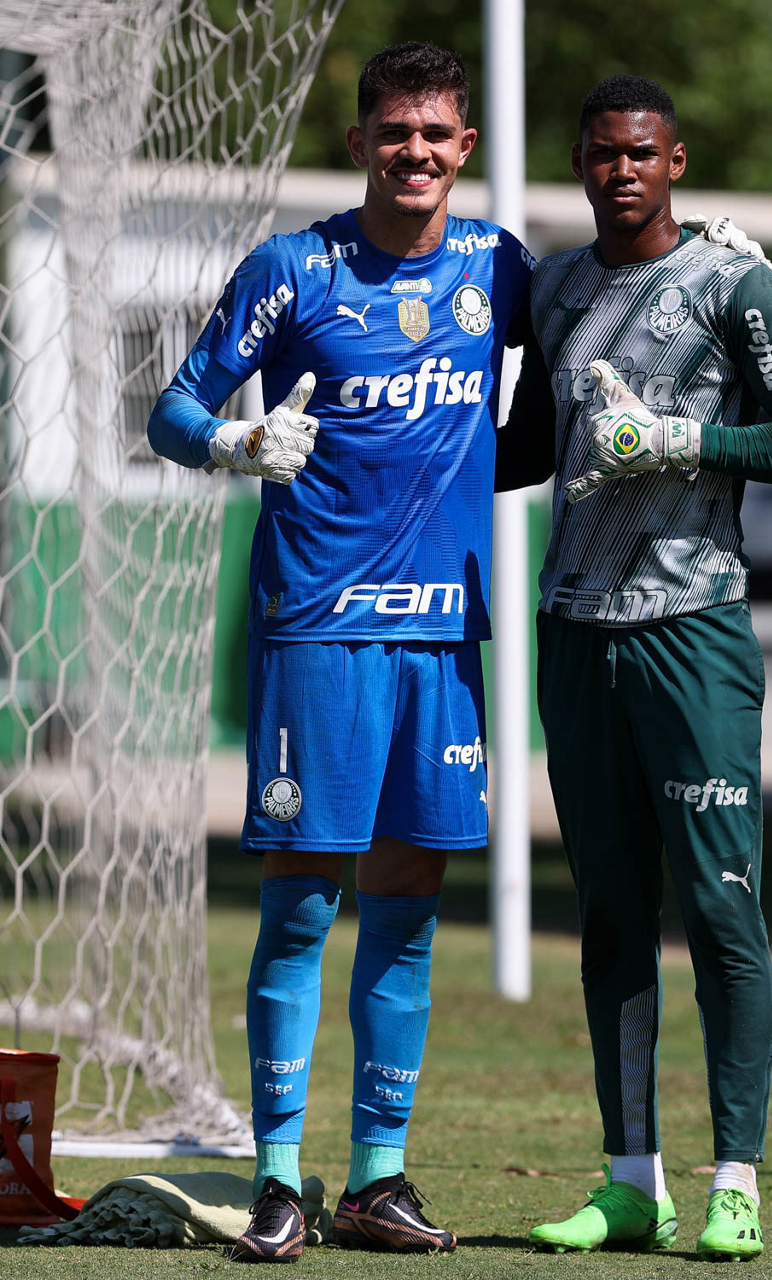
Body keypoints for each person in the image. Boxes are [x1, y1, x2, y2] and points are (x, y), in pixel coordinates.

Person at [147, 41, 536, 1262]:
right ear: (362, 141)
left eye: (436, 134)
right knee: (304, 901)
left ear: (464, 148)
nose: (415, 152)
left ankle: (375, 1178)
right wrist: (237, 442)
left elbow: (597, 319)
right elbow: (171, 408)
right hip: (319, 626)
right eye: (394, 131)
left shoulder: (499, 265)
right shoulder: (293, 269)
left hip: (444, 634)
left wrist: (699, 264)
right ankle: (278, 1177)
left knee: (410, 908)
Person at [496, 75, 772, 1262]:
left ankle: (735, 1178)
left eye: (642, 153)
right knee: (609, 913)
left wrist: (683, 437)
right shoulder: (553, 288)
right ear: (581, 163)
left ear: (676, 161)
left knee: (719, 906)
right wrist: (374, 452)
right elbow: (526, 446)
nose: (622, 171)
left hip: (693, 633)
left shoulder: (728, 280)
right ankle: (629, 1180)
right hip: (574, 632)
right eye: (603, 153)